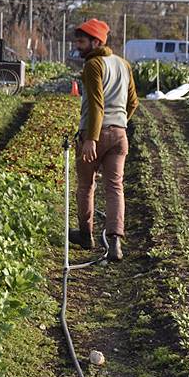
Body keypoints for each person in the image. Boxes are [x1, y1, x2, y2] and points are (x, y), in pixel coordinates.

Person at [68, 19, 139, 262]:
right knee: (115, 187)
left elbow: (97, 105)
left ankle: (86, 235)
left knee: (86, 185)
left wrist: (91, 139)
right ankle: (115, 243)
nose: (78, 46)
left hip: (95, 134)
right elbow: (133, 102)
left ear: (95, 42)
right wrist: (120, 122)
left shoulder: (93, 65)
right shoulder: (123, 64)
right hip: (120, 135)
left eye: (81, 41)